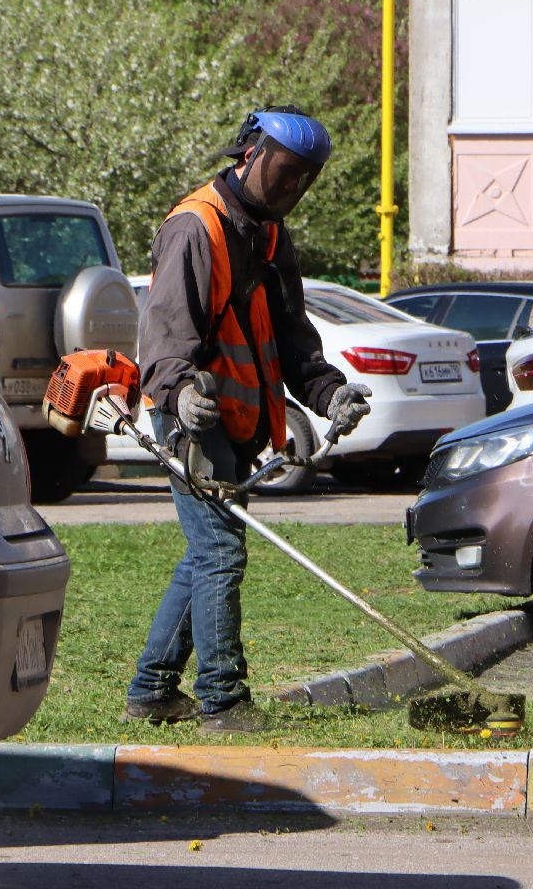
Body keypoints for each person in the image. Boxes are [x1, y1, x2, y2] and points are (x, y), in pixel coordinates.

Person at [124, 106, 372, 733]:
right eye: (287, 172)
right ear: (251, 154)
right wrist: (179, 396)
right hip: (191, 420)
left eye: (305, 179)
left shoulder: (268, 235)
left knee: (204, 555)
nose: (293, 188)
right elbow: (163, 340)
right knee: (219, 553)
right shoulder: (193, 227)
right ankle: (223, 702)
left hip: (237, 421)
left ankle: (151, 691)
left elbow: (294, 340)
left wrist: (328, 392)